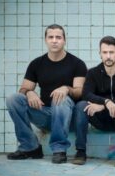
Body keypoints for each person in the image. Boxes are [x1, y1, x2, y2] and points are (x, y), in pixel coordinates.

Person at [5, 24, 87, 163]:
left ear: (64, 40)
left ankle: (59, 149)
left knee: (60, 98)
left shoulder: (77, 64)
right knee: (13, 99)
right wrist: (29, 92)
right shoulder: (36, 64)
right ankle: (30, 147)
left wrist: (66, 89)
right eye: (51, 37)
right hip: (44, 114)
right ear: (45, 40)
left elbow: (80, 92)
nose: (54, 40)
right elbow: (23, 89)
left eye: (58, 37)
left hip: (67, 116)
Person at [73, 36, 115, 167]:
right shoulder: (93, 73)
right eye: (105, 52)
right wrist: (106, 102)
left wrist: (103, 106)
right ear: (100, 54)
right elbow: (86, 94)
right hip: (99, 119)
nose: (108, 56)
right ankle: (80, 152)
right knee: (80, 106)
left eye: (111, 52)